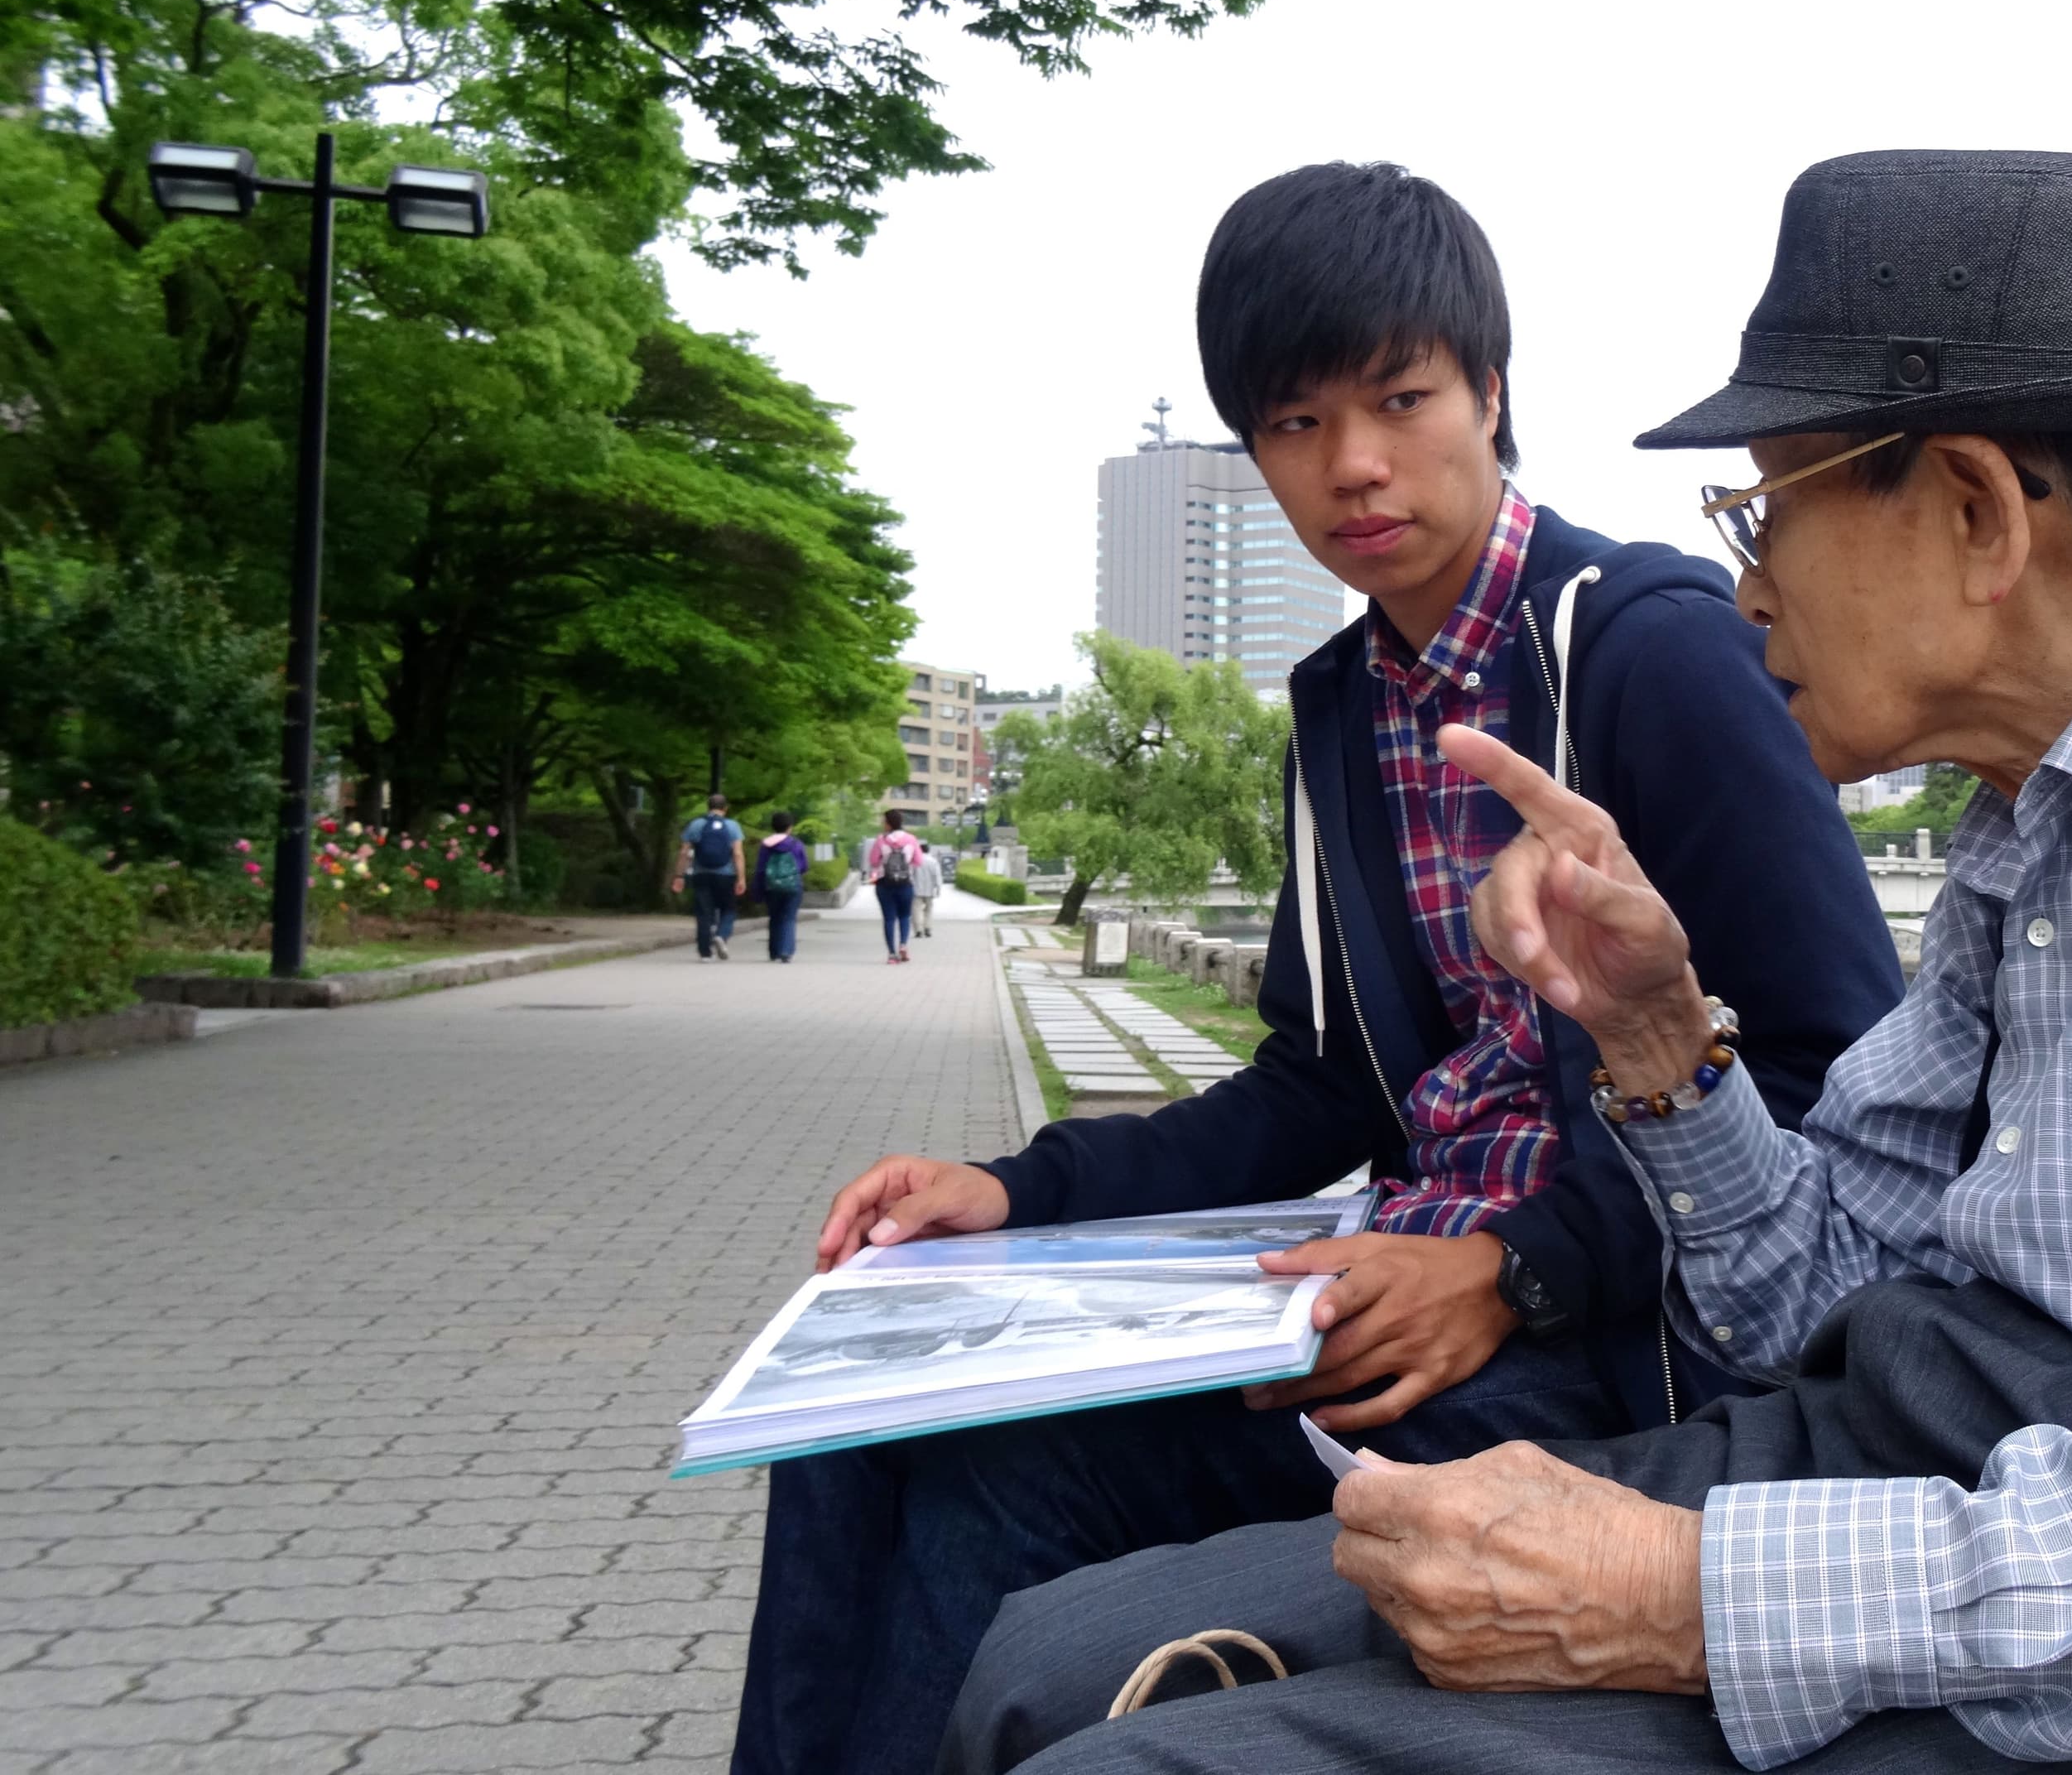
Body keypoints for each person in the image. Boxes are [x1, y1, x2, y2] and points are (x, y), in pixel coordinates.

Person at [939, 152, 2072, 1775]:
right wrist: (1662, 1037)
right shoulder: (2026, 828)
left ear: (1979, 509)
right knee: (1039, 1669)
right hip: (1948, 1469)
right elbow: (1819, 1298)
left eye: (1771, 510)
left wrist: (1688, 1590)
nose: (1744, 586)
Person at [730, 161, 1901, 1774]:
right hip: (1366, 1299)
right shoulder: (1345, 704)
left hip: (1603, 1351)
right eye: (1291, 423)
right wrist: (1013, 1187)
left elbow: (1840, 1068)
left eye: (1401, 397)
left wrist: (1523, 1263)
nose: (1354, 464)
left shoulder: (1648, 645)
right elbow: (1321, 1081)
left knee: (999, 1480)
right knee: (852, 1421)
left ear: (1491, 392)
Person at [675, 791, 746, 961]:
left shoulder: (696, 825)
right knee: (729, 909)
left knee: (703, 912)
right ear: (725, 809)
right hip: (726, 875)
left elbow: (684, 852)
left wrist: (679, 875)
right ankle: (722, 935)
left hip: (701, 874)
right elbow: (737, 853)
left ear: (708, 807)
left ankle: (705, 952)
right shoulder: (732, 826)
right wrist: (741, 877)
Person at [868, 810, 927, 964]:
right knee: (904, 917)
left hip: (884, 883)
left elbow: (873, 861)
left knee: (889, 919)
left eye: (884, 821)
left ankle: (892, 955)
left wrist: (884, 863)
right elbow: (919, 861)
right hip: (905, 883)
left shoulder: (881, 840)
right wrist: (906, 866)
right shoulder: (911, 839)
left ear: (888, 823)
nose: (882, 824)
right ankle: (903, 945)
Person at [752, 811, 810, 963]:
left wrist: (758, 891)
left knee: (774, 918)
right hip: (792, 886)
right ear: (790, 827)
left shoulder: (766, 845)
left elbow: (760, 869)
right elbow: (804, 866)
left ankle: (774, 952)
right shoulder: (796, 844)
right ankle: (786, 951)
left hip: (771, 886)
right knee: (789, 917)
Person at [911, 835, 942, 938]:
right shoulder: (933, 861)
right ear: (928, 850)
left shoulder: (915, 861)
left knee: (916, 910)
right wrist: (938, 888)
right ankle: (927, 928)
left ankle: (918, 930)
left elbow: (911, 875)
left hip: (916, 890)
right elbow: (937, 875)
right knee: (928, 910)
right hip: (930, 890)